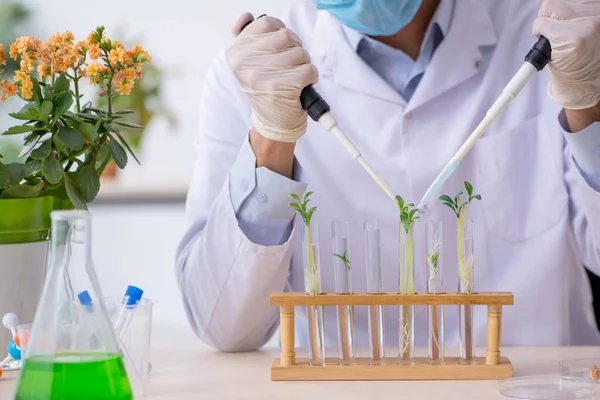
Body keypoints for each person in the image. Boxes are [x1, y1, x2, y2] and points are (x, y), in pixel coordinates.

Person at [175, 0, 600, 352]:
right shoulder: (256, 73)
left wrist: (588, 103)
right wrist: (271, 139)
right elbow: (225, 328)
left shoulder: (556, 35)